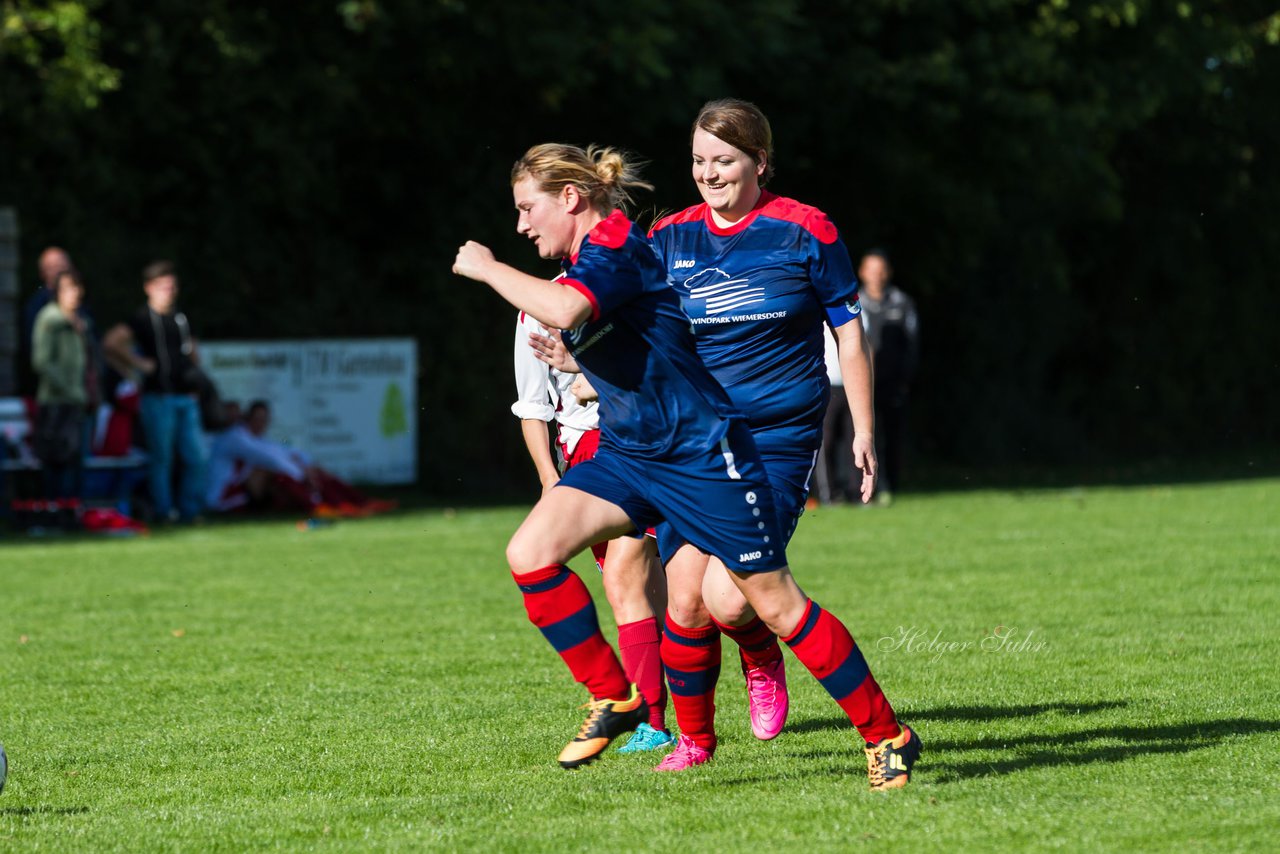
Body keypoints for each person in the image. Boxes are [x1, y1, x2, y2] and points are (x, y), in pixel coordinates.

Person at [454, 142, 920, 789]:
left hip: (702, 458)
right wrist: (579, 369)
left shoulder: (613, 244)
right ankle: (616, 699)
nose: (521, 225)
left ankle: (886, 735)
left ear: (570, 199)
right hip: (630, 454)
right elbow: (645, 343)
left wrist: (486, 267)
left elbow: (566, 310)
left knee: (773, 606)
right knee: (531, 550)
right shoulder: (599, 256)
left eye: (528, 208)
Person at [639, 98, 919, 778]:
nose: (709, 174)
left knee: (731, 596)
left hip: (776, 438)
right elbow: (638, 325)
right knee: (682, 598)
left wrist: (863, 430)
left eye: (725, 161)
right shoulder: (670, 236)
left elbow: (849, 333)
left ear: (759, 162)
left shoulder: (804, 230)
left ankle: (765, 655)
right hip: (694, 443)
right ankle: (697, 744)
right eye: (700, 161)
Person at [513, 309, 672, 752]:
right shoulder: (533, 310)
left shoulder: (633, 285)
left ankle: (652, 718)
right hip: (585, 455)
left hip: (650, 443)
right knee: (654, 592)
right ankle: (661, 721)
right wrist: (549, 480)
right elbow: (533, 406)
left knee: (632, 579)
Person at [103, 260, 208, 523]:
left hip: (185, 396)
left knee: (197, 457)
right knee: (162, 458)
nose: (169, 291)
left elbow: (194, 352)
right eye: (163, 286)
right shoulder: (141, 318)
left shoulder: (181, 318)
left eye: (172, 286)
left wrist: (195, 378)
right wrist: (138, 365)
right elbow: (111, 343)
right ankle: (164, 512)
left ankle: (190, 510)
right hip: (157, 397)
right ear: (149, 288)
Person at [206, 400, 392, 516]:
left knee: (310, 469)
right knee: (276, 472)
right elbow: (270, 459)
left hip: (241, 491)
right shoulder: (233, 438)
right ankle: (319, 507)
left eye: (264, 419)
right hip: (223, 497)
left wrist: (307, 466)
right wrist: (302, 474)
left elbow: (285, 452)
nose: (261, 423)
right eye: (257, 418)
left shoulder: (252, 438)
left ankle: (357, 502)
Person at [854, 250, 919, 502]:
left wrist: (905, 379)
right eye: (871, 270)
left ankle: (891, 485)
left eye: (880, 270)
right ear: (862, 272)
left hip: (892, 384)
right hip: (862, 384)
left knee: (893, 436)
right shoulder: (852, 302)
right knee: (863, 436)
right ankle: (857, 488)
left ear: (888, 273)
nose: (876, 276)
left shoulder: (901, 303)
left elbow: (912, 345)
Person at [30, 269, 92, 529]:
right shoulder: (50, 319)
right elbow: (42, 362)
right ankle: (53, 517)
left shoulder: (78, 321)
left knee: (75, 462)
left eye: (77, 288)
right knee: (56, 462)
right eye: (68, 288)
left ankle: (71, 516)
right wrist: (71, 391)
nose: (74, 294)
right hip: (56, 403)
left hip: (76, 402)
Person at [18, 247, 74, 398]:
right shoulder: (39, 308)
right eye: (53, 267)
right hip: (53, 394)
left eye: (63, 266)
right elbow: (39, 357)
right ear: (43, 273)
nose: (59, 272)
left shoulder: (79, 305)